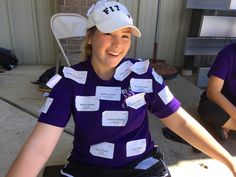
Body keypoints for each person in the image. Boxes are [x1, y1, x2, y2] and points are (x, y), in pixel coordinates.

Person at [6, 1, 236, 177]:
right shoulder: (70, 82)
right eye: (108, 33)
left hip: (141, 166)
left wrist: (229, 161)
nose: (118, 45)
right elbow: (39, 148)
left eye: (125, 36)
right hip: (87, 168)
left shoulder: (144, 75)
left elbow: (181, 122)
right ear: (90, 37)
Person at [198, 43, 236, 140]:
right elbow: (212, 92)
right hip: (220, 103)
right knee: (207, 110)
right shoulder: (227, 53)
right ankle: (226, 124)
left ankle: (227, 125)